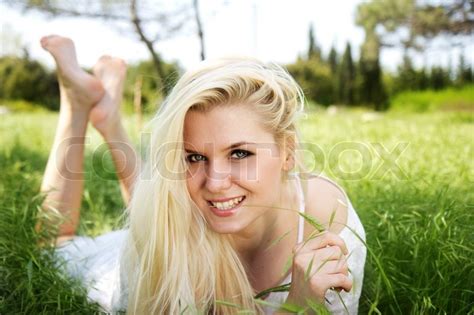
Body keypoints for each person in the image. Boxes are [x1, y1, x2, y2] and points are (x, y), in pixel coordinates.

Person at [40, 35, 366, 314]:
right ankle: (75, 103)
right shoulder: (161, 242)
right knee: (52, 245)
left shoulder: (328, 223)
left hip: (158, 234)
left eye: (240, 153)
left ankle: (109, 120)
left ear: (288, 152)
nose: (215, 181)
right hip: (126, 262)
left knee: (158, 206)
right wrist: (298, 306)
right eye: (194, 157)